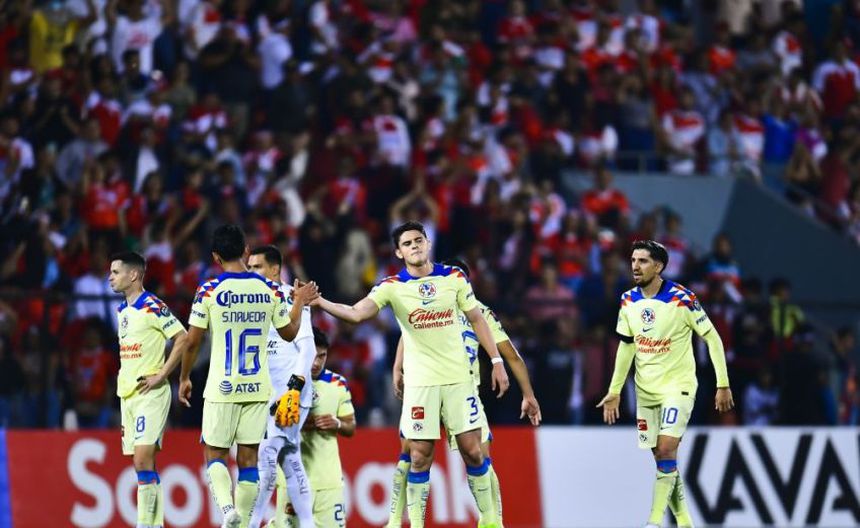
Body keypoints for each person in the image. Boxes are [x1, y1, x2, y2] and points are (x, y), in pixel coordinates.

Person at [309, 220, 510, 528]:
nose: (414, 246)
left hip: (458, 380)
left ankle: (490, 520)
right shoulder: (392, 287)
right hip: (420, 385)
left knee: (473, 451)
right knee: (418, 456)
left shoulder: (453, 277)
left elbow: (476, 319)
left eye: (418, 240)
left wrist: (496, 361)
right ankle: (415, 524)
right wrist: (320, 301)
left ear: (428, 243)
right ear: (398, 253)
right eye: (407, 243)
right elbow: (356, 313)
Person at [179, 224, 318, 528]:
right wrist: (298, 301)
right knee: (249, 460)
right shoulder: (269, 290)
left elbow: (191, 341)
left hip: (222, 387)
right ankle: (242, 525)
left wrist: (184, 377)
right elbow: (289, 333)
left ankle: (228, 509)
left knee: (215, 454)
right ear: (245, 250)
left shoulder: (209, 290)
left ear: (215, 257)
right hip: (257, 389)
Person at [386, 257, 542, 528]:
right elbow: (408, 331)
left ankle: (493, 522)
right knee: (413, 453)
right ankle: (395, 521)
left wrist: (528, 394)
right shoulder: (430, 304)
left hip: (462, 389)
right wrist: (398, 366)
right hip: (427, 386)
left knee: (478, 455)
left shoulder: (480, 313)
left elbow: (510, 355)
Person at [597, 240, 734, 528]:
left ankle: (654, 522)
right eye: (633, 260)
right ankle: (684, 521)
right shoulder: (628, 300)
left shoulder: (682, 299)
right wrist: (615, 390)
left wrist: (722, 384)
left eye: (643, 261)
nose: (635, 266)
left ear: (658, 266)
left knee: (667, 447)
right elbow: (626, 346)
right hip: (646, 391)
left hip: (678, 386)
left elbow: (712, 338)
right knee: (662, 458)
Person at [108, 251, 189, 528]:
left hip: (151, 393)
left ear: (133, 275)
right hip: (128, 394)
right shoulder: (122, 310)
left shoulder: (152, 305)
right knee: (143, 464)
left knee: (142, 459)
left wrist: (162, 374)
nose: (110, 277)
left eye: (115, 272)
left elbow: (182, 337)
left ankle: (144, 524)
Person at [247, 245, 316, 528]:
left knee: (266, 456)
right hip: (266, 393)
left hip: (289, 393)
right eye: (249, 267)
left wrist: (293, 390)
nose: (251, 272)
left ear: (275, 269)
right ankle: (309, 524)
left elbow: (308, 348)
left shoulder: (291, 297)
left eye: (257, 267)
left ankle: (250, 524)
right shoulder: (251, 300)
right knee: (290, 460)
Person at [273, 327, 356, 528]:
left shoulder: (338, 383)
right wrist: (302, 422)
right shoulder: (284, 382)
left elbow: (351, 427)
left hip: (328, 481)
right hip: (292, 479)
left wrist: (337, 423)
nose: (317, 363)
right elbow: (273, 423)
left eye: (322, 356)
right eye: (312, 355)